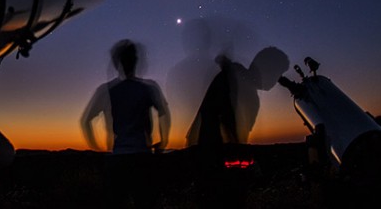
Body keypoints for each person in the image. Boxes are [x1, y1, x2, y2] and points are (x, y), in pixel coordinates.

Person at [185, 46, 289, 208]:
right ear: (267, 68)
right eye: (278, 74)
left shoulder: (240, 80)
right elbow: (226, 122)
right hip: (216, 168)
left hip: (211, 162)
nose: (277, 81)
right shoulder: (239, 82)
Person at [81, 40, 171, 208]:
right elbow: (164, 113)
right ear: (135, 61)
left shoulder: (108, 90)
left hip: (118, 158)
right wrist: (163, 141)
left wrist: (99, 150)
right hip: (142, 156)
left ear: (117, 63)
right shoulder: (148, 88)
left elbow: (86, 121)